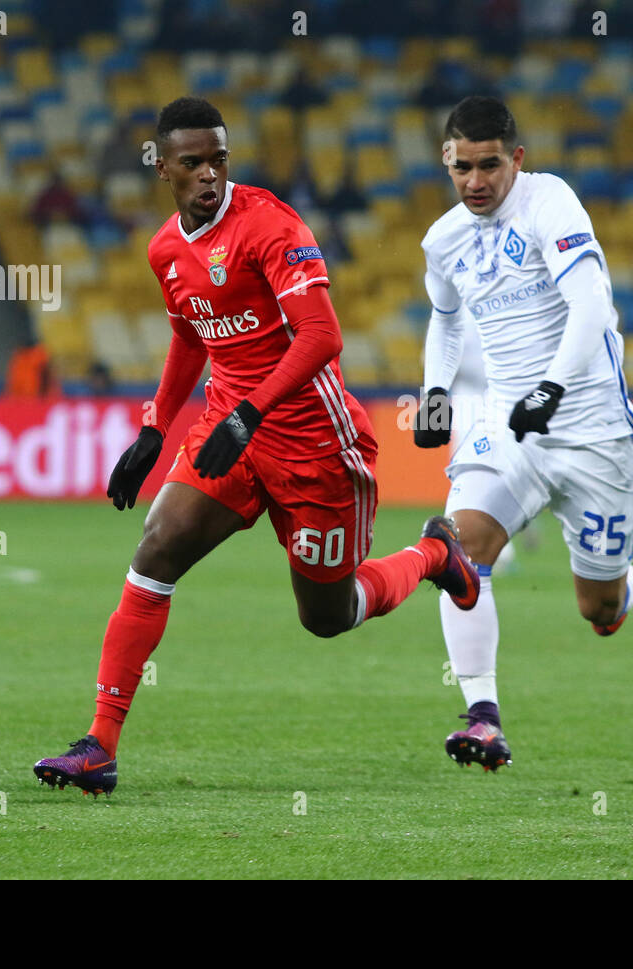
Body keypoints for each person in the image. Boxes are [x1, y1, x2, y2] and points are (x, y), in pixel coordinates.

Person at [34, 97, 479, 797]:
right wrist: (157, 425)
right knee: (157, 547)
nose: (209, 174)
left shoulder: (271, 225)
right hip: (231, 431)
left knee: (325, 617)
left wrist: (251, 410)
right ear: (161, 168)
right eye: (192, 163)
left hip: (313, 442)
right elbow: (190, 335)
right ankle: (99, 745)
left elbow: (322, 336)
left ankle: (432, 554)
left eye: (218, 159)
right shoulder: (165, 250)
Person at [413, 96, 633, 771]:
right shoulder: (443, 239)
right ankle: (482, 717)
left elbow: (592, 305)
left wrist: (554, 388)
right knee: (459, 550)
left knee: (596, 608)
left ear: (516, 159)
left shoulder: (551, 204)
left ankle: (619, 584)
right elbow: (446, 318)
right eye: (463, 168)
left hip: (592, 426)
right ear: (446, 163)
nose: (476, 181)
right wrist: (435, 389)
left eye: (490, 165)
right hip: (507, 424)